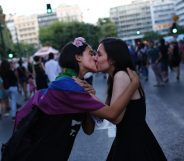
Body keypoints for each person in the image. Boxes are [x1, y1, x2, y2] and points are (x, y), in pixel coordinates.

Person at [1, 37, 139, 161]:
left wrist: (89, 98)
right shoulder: (67, 86)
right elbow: (112, 114)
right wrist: (133, 84)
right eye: (91, 53)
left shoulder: (73, 84)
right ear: (78, 57)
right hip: (36, 153)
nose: (95, 57)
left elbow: (88, 129)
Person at [94, 38, 167, 161]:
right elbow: (110, 110)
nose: (95, 58)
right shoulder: (115, 76)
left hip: (133, 144)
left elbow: (115, 117)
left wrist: (88, 98)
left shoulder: (121, 75)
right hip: (132, 140)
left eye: (99, 54)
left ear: (113, 59)